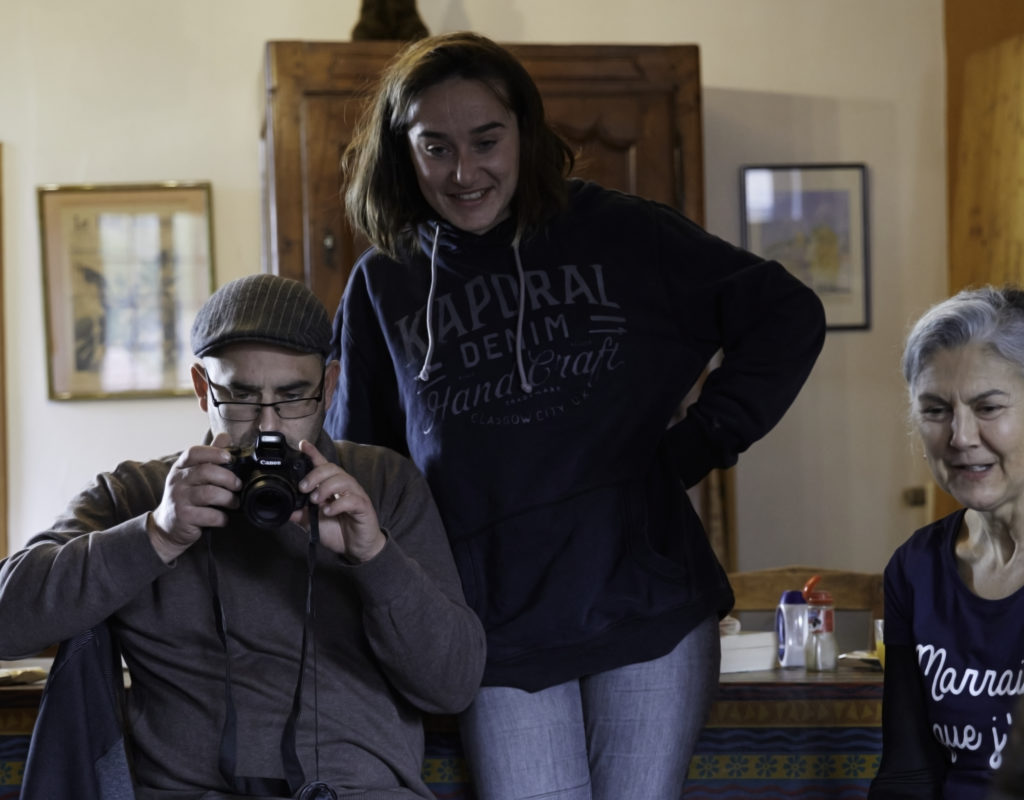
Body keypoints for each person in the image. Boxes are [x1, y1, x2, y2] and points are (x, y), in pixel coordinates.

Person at [325, 31, 826, 800]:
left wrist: (699, 442)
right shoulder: (383, 283)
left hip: (647, 608)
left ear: (525, 131)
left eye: (486, 140)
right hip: (493, 629)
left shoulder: (623, 232)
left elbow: (785, 313)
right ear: (404, 151)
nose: (464, 172)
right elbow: (368, 467)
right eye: (436, 147)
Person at [0, 273, 486, 800]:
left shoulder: (383, 485)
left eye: (293, 398)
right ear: (202, 388)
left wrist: (374, 557)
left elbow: (452, 686)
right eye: (241, 397)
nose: (268, 426)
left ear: (329, 387)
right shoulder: (136, 493)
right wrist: (156, 535)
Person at [869, 286, 1024, 800]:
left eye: (988, 407)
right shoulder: (915, 569)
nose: (960, 436)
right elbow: (908, 772)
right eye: (936, 410)